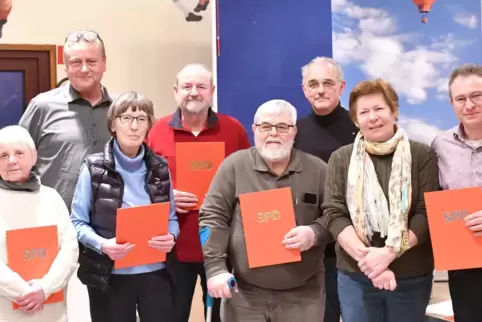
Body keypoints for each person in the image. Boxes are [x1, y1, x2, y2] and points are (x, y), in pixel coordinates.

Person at [199, 99, 329, 322]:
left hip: (304, 296)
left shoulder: (318, 169)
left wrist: (315, 233)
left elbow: (337, 215)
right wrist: (215, 268)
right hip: (244, 295)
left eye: (283, 127)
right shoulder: (234, 166)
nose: (273, 134)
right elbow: (213, 216)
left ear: (294, 131)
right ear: (254, 130)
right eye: (266, 126)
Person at [322, 79, 439, 322]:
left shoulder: (421, 154)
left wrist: (388, 254)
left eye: (379, 109)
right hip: (356, 276)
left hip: (411, 275)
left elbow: (426, 212)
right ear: (355, 120)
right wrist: (371, 263)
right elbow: (334, 213)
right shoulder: (340, 158)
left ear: (394, 111)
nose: (372, 117)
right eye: (364, 112)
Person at [146, 63, 251, 322]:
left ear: (212, 91)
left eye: (201, 86)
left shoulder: (233, 129)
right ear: (175, 91)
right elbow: (142, 183)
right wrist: (167, 197)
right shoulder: (157, 131)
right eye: (187, 86)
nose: (194, 92)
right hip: (172, 248)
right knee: (171, 316)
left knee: (222, 318)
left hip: (222, 248)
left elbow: (250, 179)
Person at [70, 91, 179, 322]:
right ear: (113, 124)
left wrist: (172, 235)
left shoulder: (161, 168)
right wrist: (102, 245)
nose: (134, 126)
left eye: (141, 119)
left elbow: (171, 217)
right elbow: (77, 222)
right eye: (126, 118)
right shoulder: (93, 168)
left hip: (156, 273)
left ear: (149, 125)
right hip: (110, 275)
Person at [19, 29, 113, 210]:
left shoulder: (120, 109)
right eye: (76, 62)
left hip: (107, 221)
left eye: (91, 61)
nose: (84, 69)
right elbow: (16, 160)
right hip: (52, 217)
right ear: (66, 66)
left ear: (104, 63)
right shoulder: (42, 106)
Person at [293, 56, 357, 322]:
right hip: (312, 247)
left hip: (356, 245)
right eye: (314, 84)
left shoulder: (360, 127)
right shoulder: (294, 131)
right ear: (304, 89)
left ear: (341, 88)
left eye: (328, 83)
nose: (320, 90)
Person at [0, 125, 79, 322]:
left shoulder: (51, 197)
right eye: (2, 155)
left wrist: (44, 288)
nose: (11, 161)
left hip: (51, 307)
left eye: (19, 152)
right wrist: (25, 292)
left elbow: (70, 248)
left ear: (34, 156)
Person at [432, 64, 482, 322]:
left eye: (477, 95)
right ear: (452, 103)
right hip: (463, 260)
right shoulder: (441, 145)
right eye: (461, 98)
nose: (469, 105)